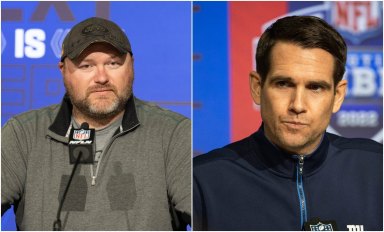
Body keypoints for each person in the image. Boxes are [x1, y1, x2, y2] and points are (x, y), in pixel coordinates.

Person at [193, 15, 382, 231]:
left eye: (315, 87)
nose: (298, 105)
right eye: (283, 84)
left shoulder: (377, 169)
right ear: (257, 87)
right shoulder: (202, 181)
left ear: (338, 96)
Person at [1, 17, 191, 230]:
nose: (101, 77)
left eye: (113, 63)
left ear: (131, 66)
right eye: (86, 65)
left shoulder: (173, 133)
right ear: (63, 71)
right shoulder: (23, 135)